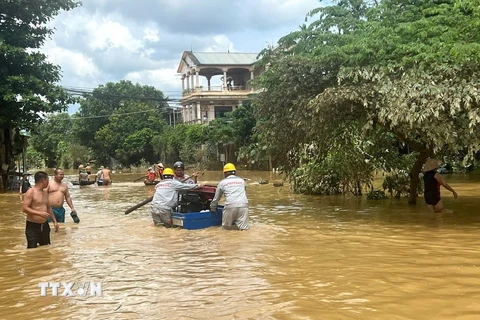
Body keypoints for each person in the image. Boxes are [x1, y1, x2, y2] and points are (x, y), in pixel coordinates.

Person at [22, 171, 59, 248]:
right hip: (32, 226)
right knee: (32, 250)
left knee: (45, 249)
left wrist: (55, 221)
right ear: (43, 180)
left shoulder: (45, 192)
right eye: (47, 179)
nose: (48, 182)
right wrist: (39, 213)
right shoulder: (31, 192)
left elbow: (48, 208)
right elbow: (25, 208)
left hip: (44, 225)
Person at [210, 163, 249, 230]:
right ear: (235, 172)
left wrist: (213, 208)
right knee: (244, 230)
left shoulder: (222, 182)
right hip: (243, 206)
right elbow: (243, 192)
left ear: (225, 173)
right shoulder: (242, 181)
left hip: (230, 206)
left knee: (226, 229)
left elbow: (216, 198)